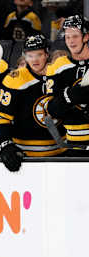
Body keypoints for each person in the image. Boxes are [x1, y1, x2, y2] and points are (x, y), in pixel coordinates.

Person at [0, 35, 65, 173]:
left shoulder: (59, 73)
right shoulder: (15, 79)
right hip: (25, 157)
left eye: (39, 54)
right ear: (25, 56)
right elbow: (0, 118)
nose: (35, 60)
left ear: (47, 54)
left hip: (60, 154)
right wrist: (5, 145)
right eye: (30, 55)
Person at [46, 15, 89, 155]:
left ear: (86, 37)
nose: (71, 41)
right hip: (75, 145)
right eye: (67, 36)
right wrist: (69, 96)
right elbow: (51, 110)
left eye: (75, 36)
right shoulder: (58, 67)